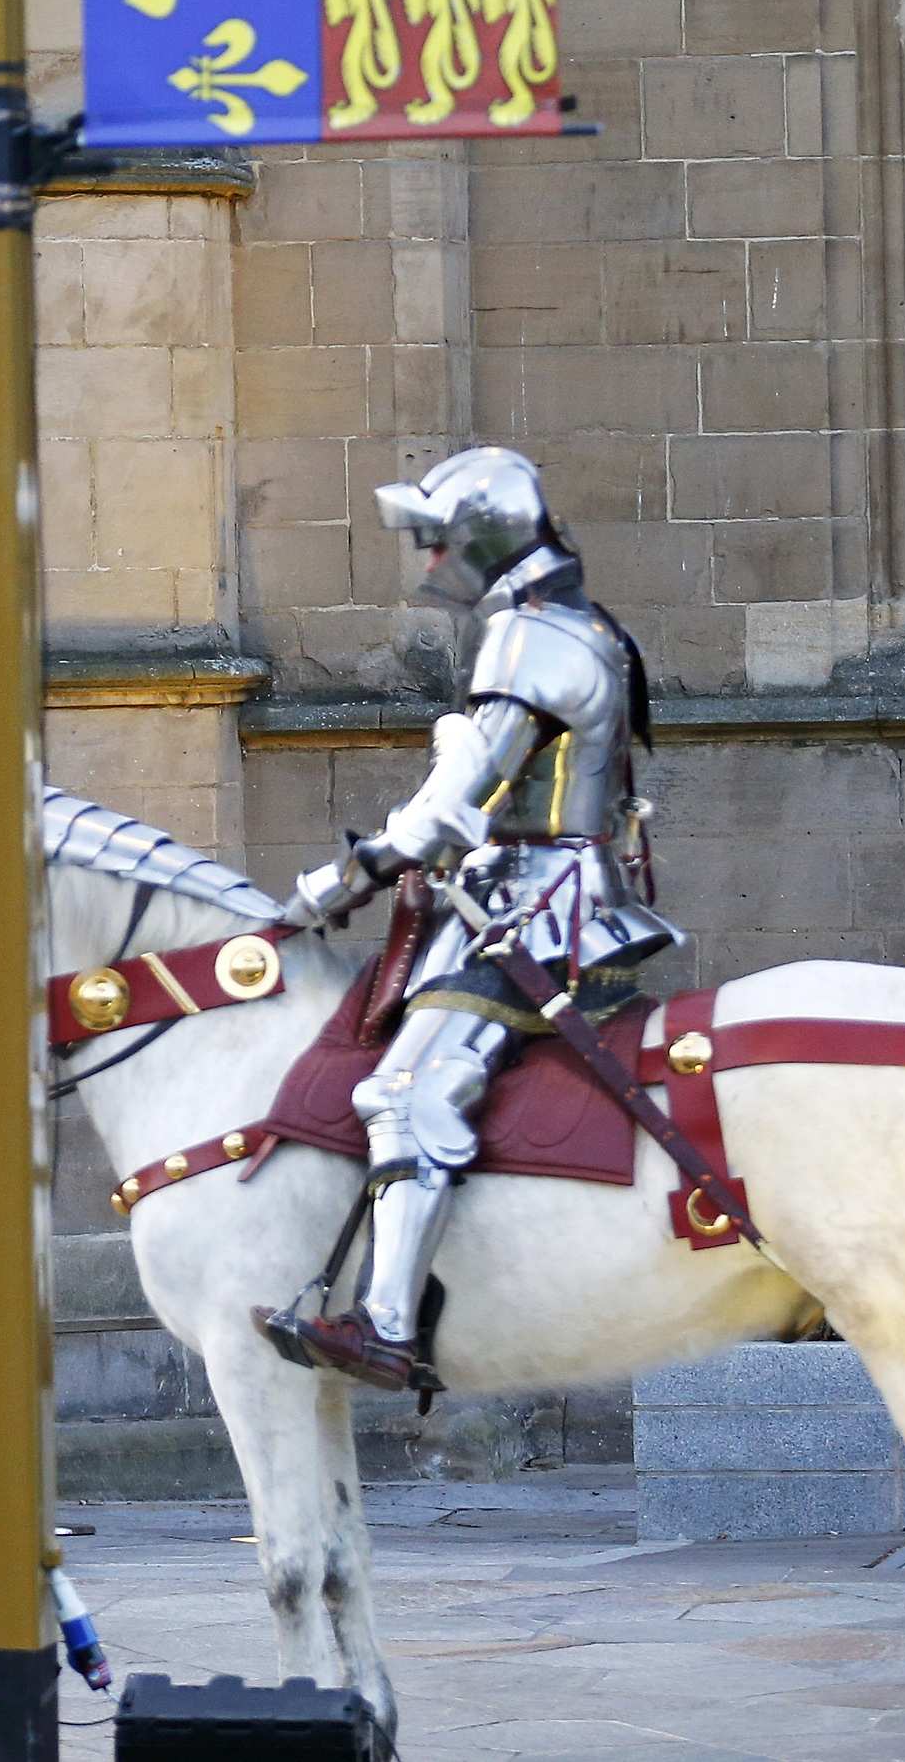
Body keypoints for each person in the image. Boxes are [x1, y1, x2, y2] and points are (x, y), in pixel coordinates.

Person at [258, 447, 680, 1393]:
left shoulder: (532, 638)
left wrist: (342, 877)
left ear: (478, 541)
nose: (423, 563)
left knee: (409, 1089)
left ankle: (388, 1326)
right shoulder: (570, 624)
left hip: (539, 904)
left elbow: (453, 808)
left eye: (432, 541)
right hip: (520, 884)